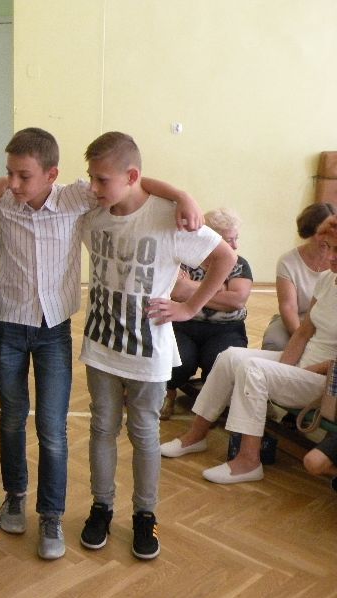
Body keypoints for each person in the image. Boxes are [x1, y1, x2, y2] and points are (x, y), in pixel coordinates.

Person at [0, 127, 203, 560]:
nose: (14, 183)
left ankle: (52, 515)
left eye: (24, 175)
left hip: (54, 330)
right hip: (8, 324)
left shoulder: (77, 198)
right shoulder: (1, 199)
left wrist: (182, 194)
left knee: (52, 428)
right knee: (12, 420)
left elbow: (130, 181)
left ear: (51, 174)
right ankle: (15, 496)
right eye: (9, 173)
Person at [78, 132, 236, 560]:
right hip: (101, 344)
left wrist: (190, 307)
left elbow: (224, 258)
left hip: (148, 350)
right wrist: (178, 190)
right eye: (91, 177)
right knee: (102, 428)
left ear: (131, 177)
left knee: (144, 431)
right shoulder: (94, 212)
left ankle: (144, 514)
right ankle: (101, 507)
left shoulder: (169, 217)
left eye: (102, 179)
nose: (94, 187)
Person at [160, 227, 337, 485]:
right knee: (230, 357)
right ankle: (195, 436)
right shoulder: (328, 280)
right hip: (304, 367)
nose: (330, 256)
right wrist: (286, 370)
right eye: (328, 247)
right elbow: (303, 333)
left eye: (336, 250)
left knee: (254, 370)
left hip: (328, 383)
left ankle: (248, 461)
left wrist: (298, 372)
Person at [160, 208, 253, 420]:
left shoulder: (239, 264)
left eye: (236, 238)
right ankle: (169, 392)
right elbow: (176, 292)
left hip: (227, 329)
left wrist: (192, 290)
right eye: (229, 240)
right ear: (210, 240)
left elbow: (237, 301)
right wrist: (218, 288)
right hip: (184, 326)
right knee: (179, 361)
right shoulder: (184, 260)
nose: (235, 246)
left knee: (222, 361)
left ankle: (209, 408)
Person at [261, 202, 335, 351]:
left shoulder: (334, 261)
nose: (325, 238)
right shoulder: (288, 261)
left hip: (328, 322)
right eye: (320, 233)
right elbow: (288, 307)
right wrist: (300, 340)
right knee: (274, 343)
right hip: (297, 319)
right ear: (308, 232)